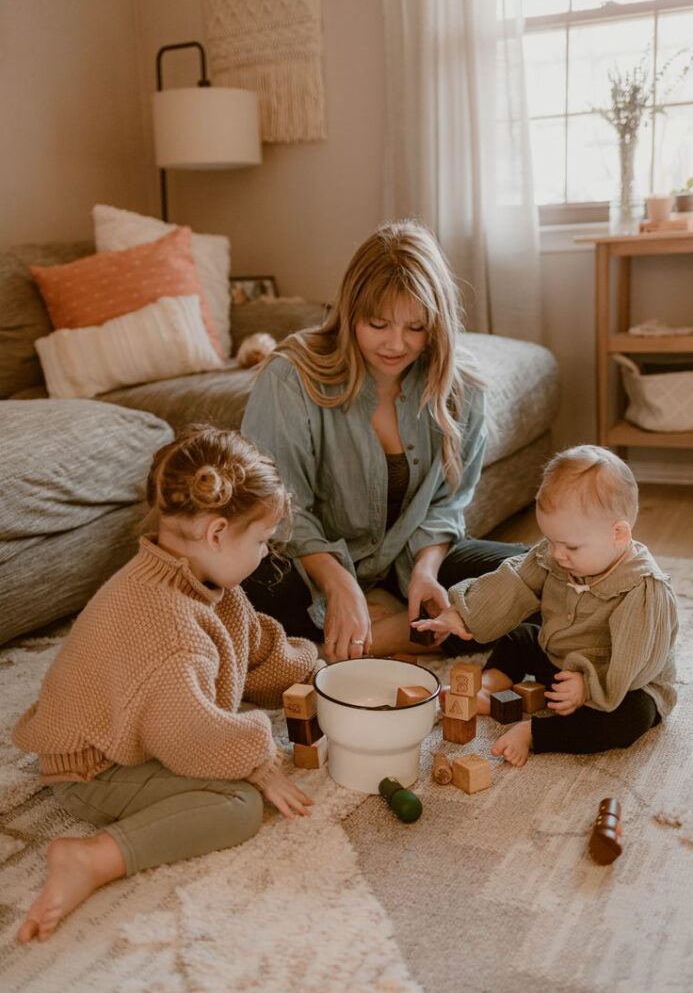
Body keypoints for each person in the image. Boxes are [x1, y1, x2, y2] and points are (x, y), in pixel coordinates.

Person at [12, 425, 318, 943]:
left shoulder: (203, 580)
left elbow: (253, 648)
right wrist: (260, 763)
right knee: (238, 804)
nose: (267, 554)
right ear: (217, 532)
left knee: (233, 767)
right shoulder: (169, 625)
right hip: (92, 767)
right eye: (262, 541)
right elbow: (188, 735)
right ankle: (92, 858)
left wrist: (316, 674)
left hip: (146, 724)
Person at [241, 220, 527, 662]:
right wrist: (340, 586)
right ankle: (403, 631)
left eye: (416, 328)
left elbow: (447, 507)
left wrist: (426, 574)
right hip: (310, 568)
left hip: (408, 560)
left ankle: (339, 646)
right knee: (241, 579)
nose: (397, 344)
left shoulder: (462, 388)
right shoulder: (289, 378)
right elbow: (281, 511)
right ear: (350, 312)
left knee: (540, 576)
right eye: (378, 324)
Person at [412, 445, 678, 766]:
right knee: (522, 636)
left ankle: (537, 733)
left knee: (630, 718)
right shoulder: (556, 556)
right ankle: (492, 683)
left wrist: (588, 687)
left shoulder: (642, 589)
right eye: (550, 540)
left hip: (619, 682)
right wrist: (461, 614)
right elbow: (512, 582)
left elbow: (634, 661)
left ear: (618, 534)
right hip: (562, 659)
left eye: (569, 546)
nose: (556, 554)